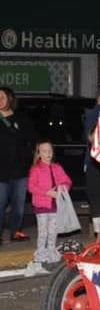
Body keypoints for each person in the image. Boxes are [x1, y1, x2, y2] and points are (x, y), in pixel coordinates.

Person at [26, 140, 72, 274]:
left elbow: (67, 181)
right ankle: (40, 257)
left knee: (53, 232)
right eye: (44, 151)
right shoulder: (36, 169)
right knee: (43, 233)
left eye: (50, 151)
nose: (48, 154)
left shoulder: (57, 167)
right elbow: (31, 187)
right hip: (41, 206)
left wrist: (63, 189)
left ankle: (51, 255)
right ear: (39, 153)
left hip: (55, 206)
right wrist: (47, 192)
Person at [0, 86, 36, 244]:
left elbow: (34, 141)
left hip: (21, 171)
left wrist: (34, 165)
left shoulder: (22, 119)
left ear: (10, 99)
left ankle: (16, 232)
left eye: (2, 97)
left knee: (18, 206)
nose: (0, 100)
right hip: (1, 172)